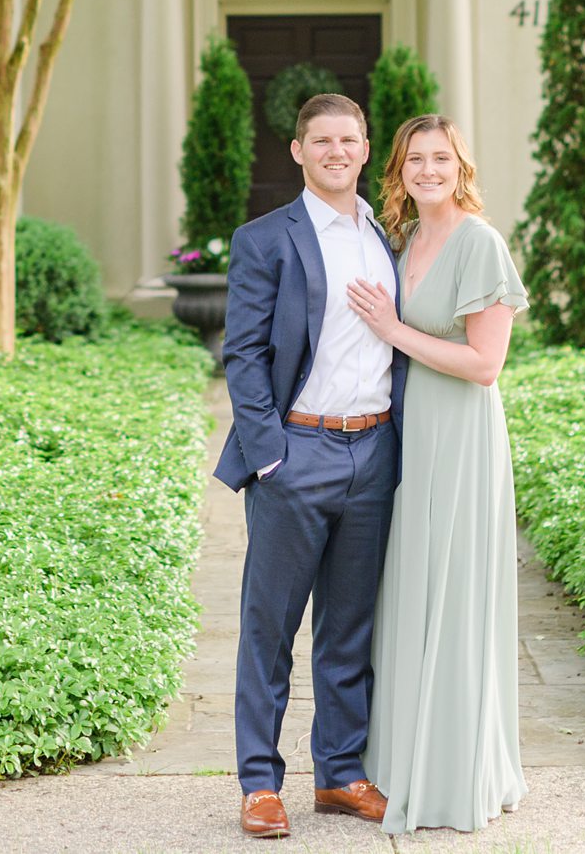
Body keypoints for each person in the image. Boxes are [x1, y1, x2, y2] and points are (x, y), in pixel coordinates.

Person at [215, 93, 407, 840]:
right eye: (320, 139)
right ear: (297, 151)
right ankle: (260, 784)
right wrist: (271, 458)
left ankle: (340, 773)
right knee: (270, 628)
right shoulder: (266, 238)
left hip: (375, 448)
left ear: (365, 150)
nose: (336, 150)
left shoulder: (389, 235)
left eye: (349, 139)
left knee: (349, 624)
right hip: (298, 451)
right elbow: (244, 354)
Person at [346, 113, 529, 834]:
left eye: (440, 157)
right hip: (412, 434)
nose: (428, 168)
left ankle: (454, 777)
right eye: (415, 157)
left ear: (461, 168)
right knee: (412, 590)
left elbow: (486, 365)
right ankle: (404, 762)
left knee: (453, 592)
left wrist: (394, 331)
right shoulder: (407, 240)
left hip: (461, 436)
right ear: (399, 169)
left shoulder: (479, 243)